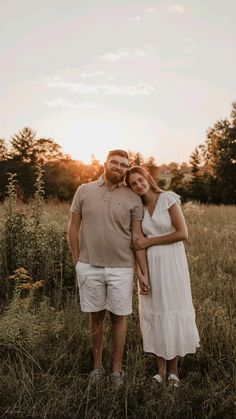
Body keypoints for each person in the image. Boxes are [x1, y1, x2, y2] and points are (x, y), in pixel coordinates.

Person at [68, 151, 149, 387]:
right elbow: (73, 228)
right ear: (105, 164)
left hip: (122, 267)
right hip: (89, 266)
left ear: (127, 169)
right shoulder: (84, 190)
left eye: (124, 165)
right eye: (115, 162)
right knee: (96, 317)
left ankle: (116, 371)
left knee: (118, 318)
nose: (119, 167)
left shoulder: (133, 196)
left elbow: (137, 236)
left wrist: (141, 272)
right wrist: (77, 262)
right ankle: (96, 367)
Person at [125, 166, 200, 387]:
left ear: (147, 177)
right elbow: (137, 242)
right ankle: (160, 371)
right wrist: (142, 275)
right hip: (151, 265)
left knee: (171, 310)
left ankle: (174, 372)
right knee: (155, 311)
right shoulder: (138, 207)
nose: (139, 185)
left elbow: (182, 233)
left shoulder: (168, 198)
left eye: (140, 180)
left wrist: (150, 241)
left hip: (172, 264)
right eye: (133, 184)